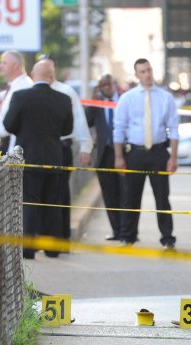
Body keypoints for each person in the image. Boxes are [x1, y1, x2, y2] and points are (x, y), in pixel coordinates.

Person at [3, 60, 73, 259]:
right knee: (52, 202)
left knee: (29, 201)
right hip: (54, 157)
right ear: (51, 77)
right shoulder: (63, 99)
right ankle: (52, 248)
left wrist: (25, 130)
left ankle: (28, 247)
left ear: (33, 75)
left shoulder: (21, 97)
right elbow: (67, 130)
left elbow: (9, 125)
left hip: (29, 156)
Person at [112, 58, 179, 248]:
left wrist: (173, 157)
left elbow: (173, 128)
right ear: (136, 75)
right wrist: (119, 158)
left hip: (158, 152)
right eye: (142, 71)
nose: (147, 74)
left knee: (162, 197)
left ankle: (167, 238)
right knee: (131, 196)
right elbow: (119, 129)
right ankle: (128, 236)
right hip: (134, 153)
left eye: (149, 70)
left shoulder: (166, 98)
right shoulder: (127, 98)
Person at [39, 57, 92, 241]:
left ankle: (61, 236)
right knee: (40, 194)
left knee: (61, 192)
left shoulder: (66, 91)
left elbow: (78, 119)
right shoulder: (32, 91)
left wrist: (85, 145)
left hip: (61, 148)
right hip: (40, 149)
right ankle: (41, 235)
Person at [85, 74, 125, 241]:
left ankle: (127, 231)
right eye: (103, 86)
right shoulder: (98, 104)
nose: (107, 88)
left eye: (109, 84)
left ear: (115, 84)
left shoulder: (123, 100)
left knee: (125, 194)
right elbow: (87, 122)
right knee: (109, 195)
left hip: (123, 153)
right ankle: (116, 230)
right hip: (104, 154)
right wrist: (94, 100)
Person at [0, 50, 33, 153]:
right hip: (6, 143)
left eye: (4, 63)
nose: (0, 66)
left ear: (16, 66)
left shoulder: (25, 86)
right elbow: (12, 96)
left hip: (13, 145)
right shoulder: (17, 84)